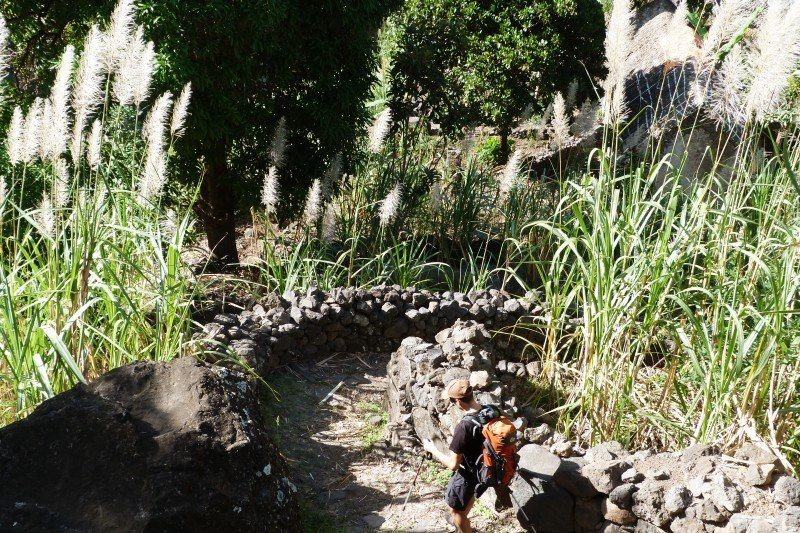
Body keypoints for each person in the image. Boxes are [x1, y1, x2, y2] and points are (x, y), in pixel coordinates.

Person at [421, 378, 511, 533]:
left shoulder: (465, 426)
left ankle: (464, 528)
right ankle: (464, 523)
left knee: (456, 511)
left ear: (457, 401)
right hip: (488, 469)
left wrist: (432, 449)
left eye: (451, 400)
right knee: (465, 503)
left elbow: (453, 464)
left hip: (468, 475)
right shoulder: (492, 410)